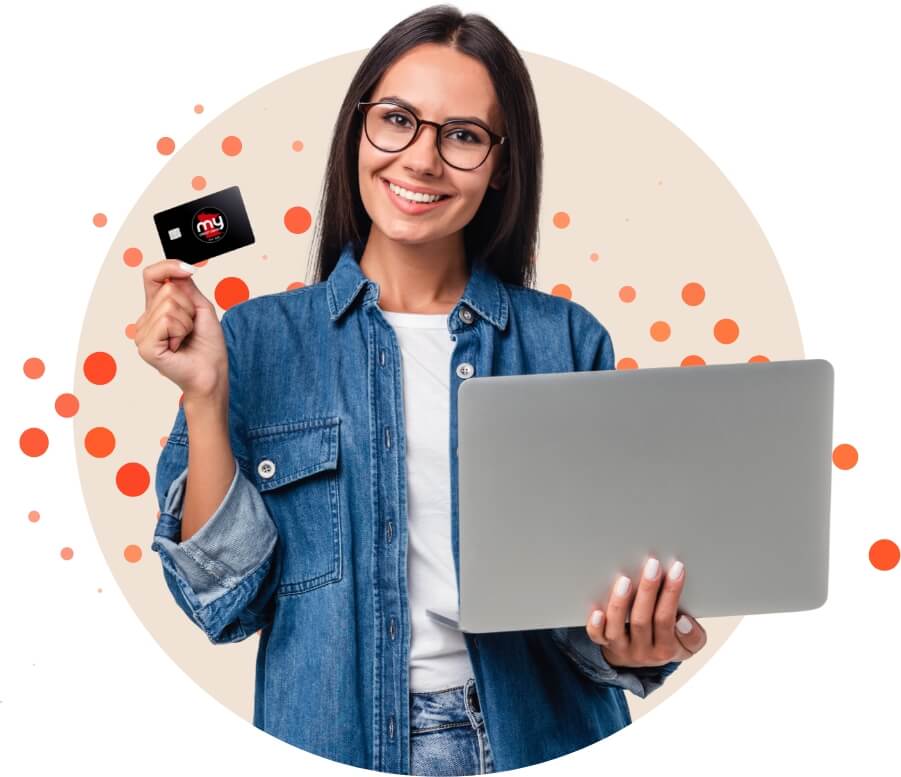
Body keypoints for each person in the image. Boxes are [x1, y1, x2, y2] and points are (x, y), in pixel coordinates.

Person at [136, 5, 707, 775]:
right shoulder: (254, 340)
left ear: (501, 164)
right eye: (397, 120)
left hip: (545, 738)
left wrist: (629, 637)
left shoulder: (565, 342)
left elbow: (591, 597)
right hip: (335, 740)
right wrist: (204, 396)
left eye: (463, 135)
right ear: (357, 131)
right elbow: (225, 604)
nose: (422, 160)